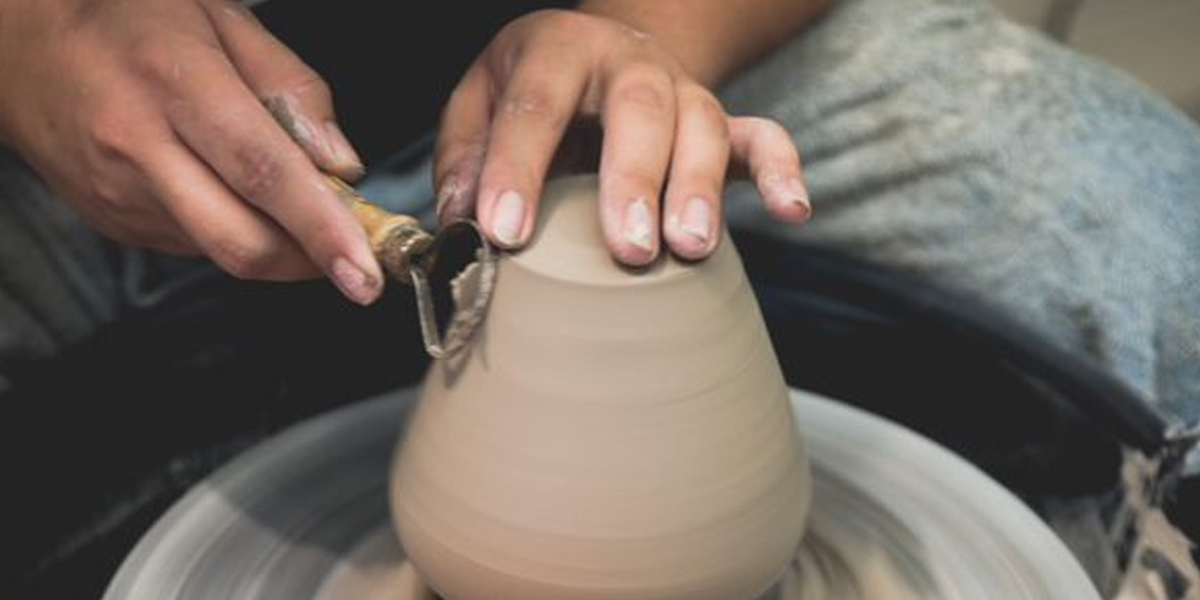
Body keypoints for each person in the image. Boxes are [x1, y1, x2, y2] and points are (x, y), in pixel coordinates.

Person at [0, 0, 1197, 596]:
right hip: (108, 103)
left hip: (651, 50)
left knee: (1135, 212)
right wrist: (29, 44)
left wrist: (651, 35)